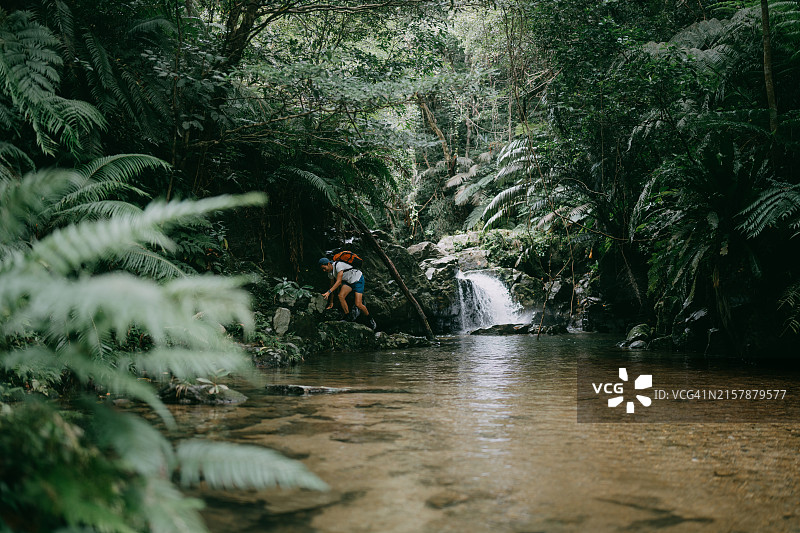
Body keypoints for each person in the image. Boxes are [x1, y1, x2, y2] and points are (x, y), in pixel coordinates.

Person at [319, 257, 376, 330]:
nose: (324, 270)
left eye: (324, 268)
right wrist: (331, 302)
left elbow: (339, 282)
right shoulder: (330, 273)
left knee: (358, 304)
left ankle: (370, 319)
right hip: (348, 282)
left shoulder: (338, 265)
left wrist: (328, 292)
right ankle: (347, 316)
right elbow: (332, 287)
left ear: (329, 264)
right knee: (340, 296)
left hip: (357, 279)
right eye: (322, 269)